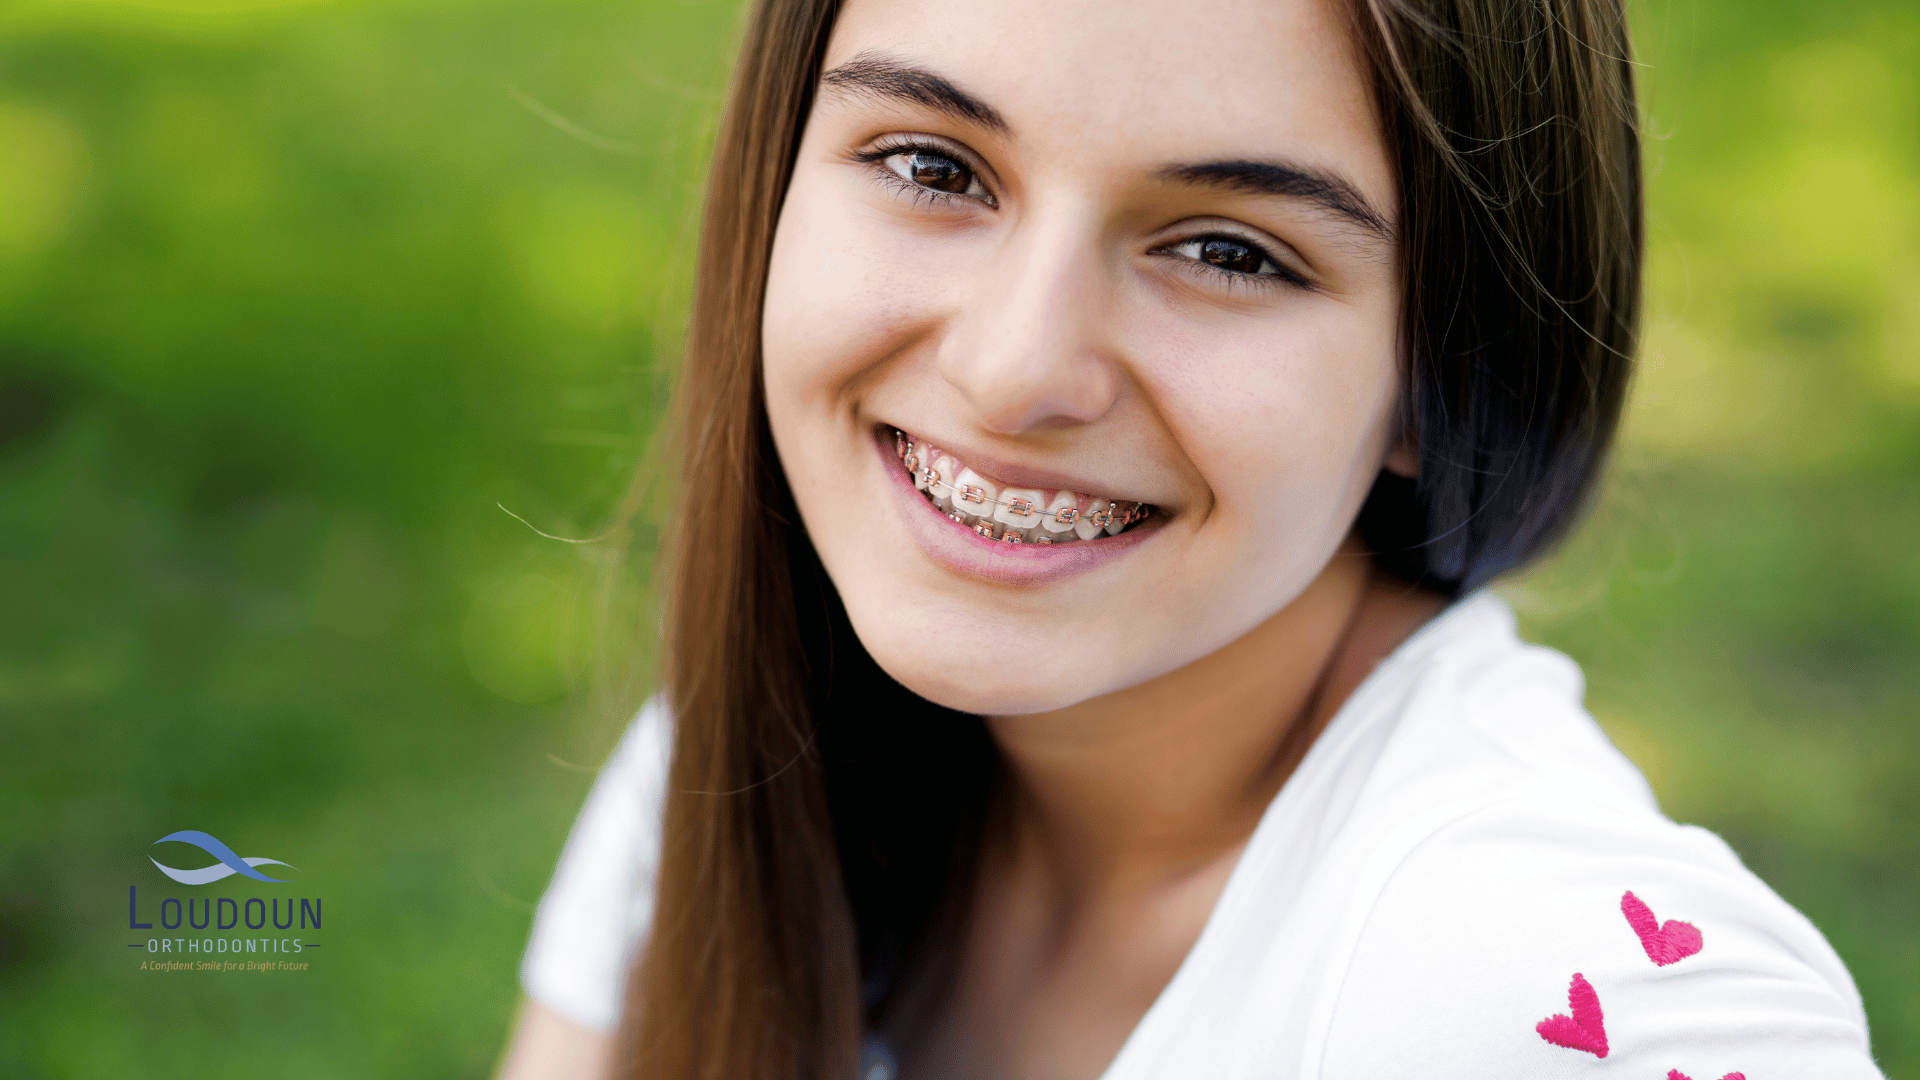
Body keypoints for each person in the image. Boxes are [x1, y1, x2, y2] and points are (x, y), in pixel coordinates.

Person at [496, 0, 1885, 1076]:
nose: (1014, 369)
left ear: (1445, 363)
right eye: (932, 165)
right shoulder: (747, 764)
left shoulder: (1564, 984)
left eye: (1228, 251)